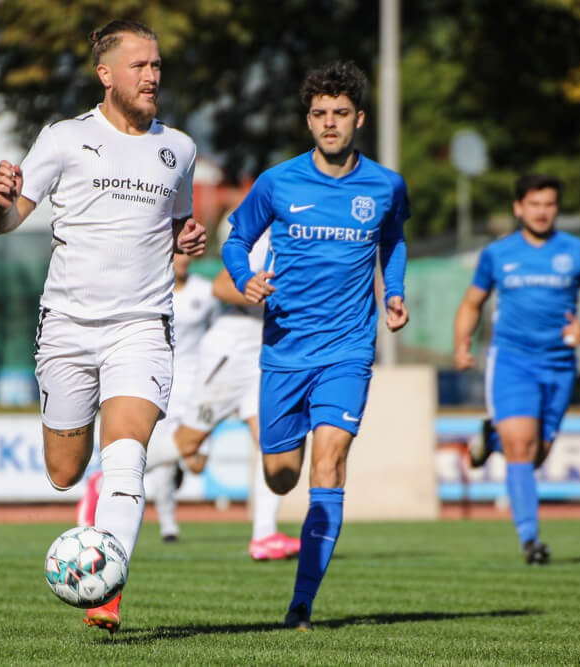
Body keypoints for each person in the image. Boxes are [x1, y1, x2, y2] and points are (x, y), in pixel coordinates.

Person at [0, 19, 206, 634]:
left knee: (127, 455)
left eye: (157, 64)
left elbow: (178, 233)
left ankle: (106, 591)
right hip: (67, 327)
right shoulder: (62, 139)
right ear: (105, 75)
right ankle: (80, 485)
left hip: (141, 324)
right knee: (64, 471)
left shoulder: (180, 149)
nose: (153, 75)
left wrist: (187, 238)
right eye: (139, 65)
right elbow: (4, 222)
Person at [221, 61, 410, 631]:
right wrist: (243, 278)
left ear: (360, 119)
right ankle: (283, 465)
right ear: (309, 120)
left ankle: (301, 604)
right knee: (282, 474)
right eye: (321, 114)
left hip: (348, 349)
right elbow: (236, 238)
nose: (331, 124)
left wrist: (394, 292)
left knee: (332, 459)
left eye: (341, 114)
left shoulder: (385, 185)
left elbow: (394, 240)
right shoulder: (278, 182)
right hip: (284, 349)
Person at [452, 173, 580, 565]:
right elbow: (472, 303)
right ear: (518, 208)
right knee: (521, 449)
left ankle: (490, 440)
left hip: (558, 367)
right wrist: (462, 343)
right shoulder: (497, 254)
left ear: (557, 208)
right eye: (535, 204)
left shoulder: (577, 252)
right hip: (511, 362)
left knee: (536, 453)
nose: (542, 212)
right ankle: (531, 540)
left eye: (549, 204)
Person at [174, 227, 301, 562]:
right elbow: (220, 285)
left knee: (270, 441)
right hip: (232, 348)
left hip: (265, 349)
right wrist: (265, 293)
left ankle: (264, 535)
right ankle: (106, 483)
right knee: (188, 444)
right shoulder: (271, 234)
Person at [76, 251, 219, 543]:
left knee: (197, 461)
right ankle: (169, 527)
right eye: (177, 255)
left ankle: (105, 477)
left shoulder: (205, 292)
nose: (183, 261)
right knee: (168, 464)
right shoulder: (152, 290)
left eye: (185, 256)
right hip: (164, 382)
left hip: (198, 384)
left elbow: (218, 330)